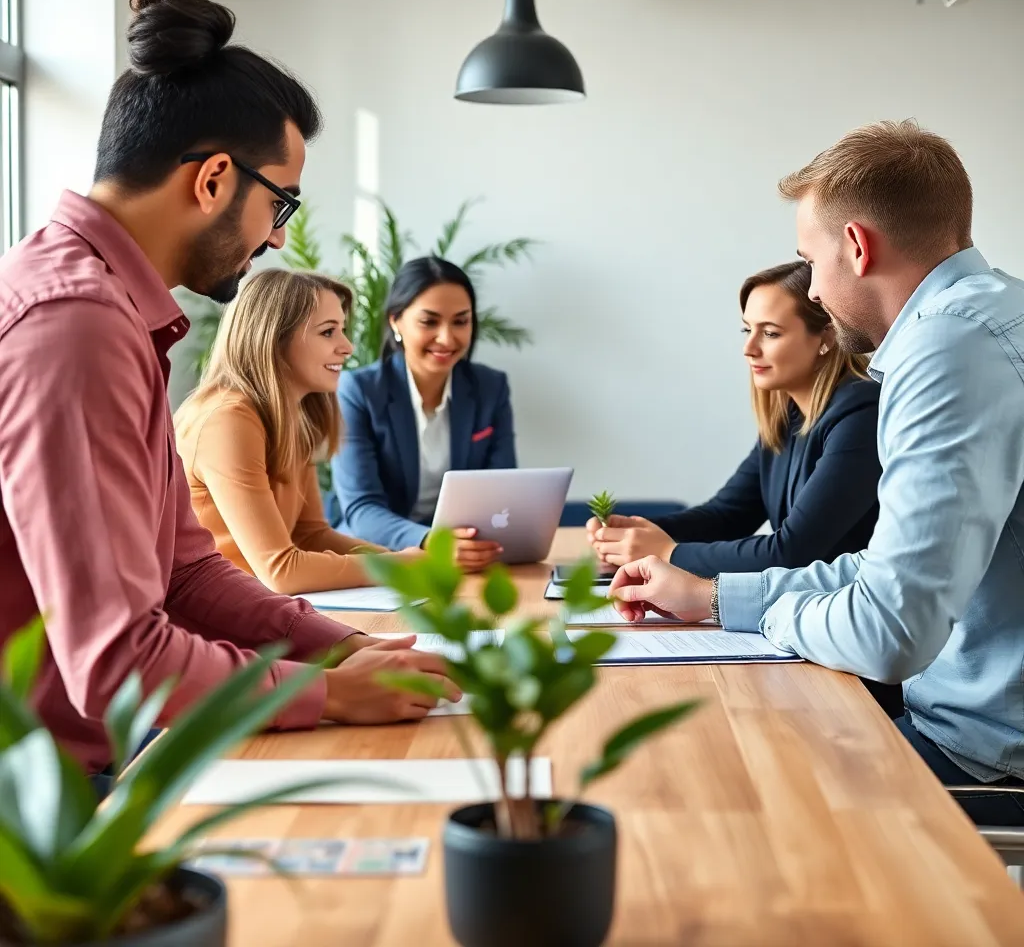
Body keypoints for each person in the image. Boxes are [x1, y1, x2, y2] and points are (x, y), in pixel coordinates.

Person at [0, 0, 458, 793]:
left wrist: (337, 647)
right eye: (279, 204)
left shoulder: (114, 312)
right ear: (213, 179)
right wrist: (327, 695)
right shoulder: (75, 324)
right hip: (33, 807)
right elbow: (115, 660)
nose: (278, 239)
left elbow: (185, 572)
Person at [609, 120, 1024, 825]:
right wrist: (713, 596)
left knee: (716, 798)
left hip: (981, 748)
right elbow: (877, 574)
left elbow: (887, 631)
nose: (816, 290)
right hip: (984, 723)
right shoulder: (1000, 310)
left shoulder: (945, 352)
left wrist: (755, 610)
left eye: (811, 261)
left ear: (857, 247)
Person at [587, 261, 881, 577]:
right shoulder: (788, 415)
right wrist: (636, 533)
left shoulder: (861, 412)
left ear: (827, 336)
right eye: (747, 329)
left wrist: (665, 552)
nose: (748, 348)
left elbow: (791, 551)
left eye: (770, 333)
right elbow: (728, 515)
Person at [175, 268, 417, 595]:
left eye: (342, 330)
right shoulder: (227, 420)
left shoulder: (288, 416)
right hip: (208, 617)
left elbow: (310, 533)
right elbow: (281, 570)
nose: (347, 347)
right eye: (328, 332)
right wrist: (397, 566)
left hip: (254, 606)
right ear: (275, 337)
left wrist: (404, 561)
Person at [332, 256, 517, 571]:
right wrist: (430, 541)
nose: (446, 338)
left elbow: (503, 491)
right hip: (379, 554)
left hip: (464, 559)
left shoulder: (490, 387)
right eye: (429, 321)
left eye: (461, 321)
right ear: (396, 321)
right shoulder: (358, 390)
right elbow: (362, 509)